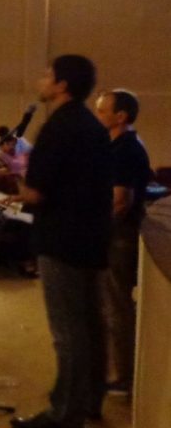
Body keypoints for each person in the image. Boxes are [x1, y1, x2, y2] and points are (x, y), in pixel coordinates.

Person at [9, 55, 112, 428]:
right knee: (90, 325)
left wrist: (19, 180)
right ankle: (89, 401)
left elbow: (36, 192)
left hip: (61, 240)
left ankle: (64, 414)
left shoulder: (57, 127)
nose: (42, 80)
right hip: (92, 239)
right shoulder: (93, 126)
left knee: (67, 331)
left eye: (47, 74)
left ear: (62, 85)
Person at [94, 88, 150, 396]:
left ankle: (122, 376)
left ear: (121, 117)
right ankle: (118, 372)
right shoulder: (119, 145)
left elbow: (119, 202)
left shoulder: (124, 150)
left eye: (103, 111)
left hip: (119, 237)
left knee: (117, 306)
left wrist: (93, 231)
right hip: (117, 235)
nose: (97, 115)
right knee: (112, 304)